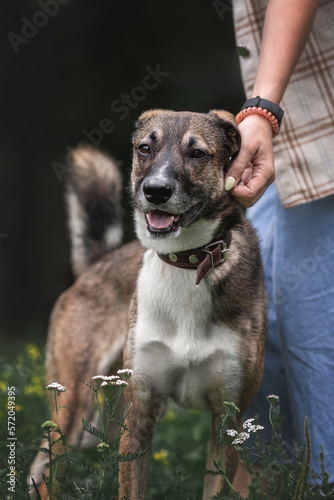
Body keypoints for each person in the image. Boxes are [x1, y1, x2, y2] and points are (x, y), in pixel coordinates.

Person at [227, 0, 334, 490]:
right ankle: (281, 480)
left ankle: (321, 482)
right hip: (297, 146)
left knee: (314, 337)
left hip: (318, 139)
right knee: (255, 316)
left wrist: (261, 109)